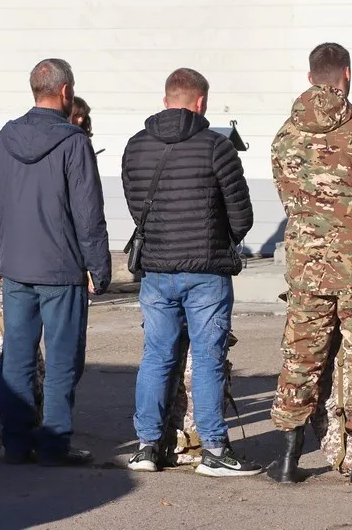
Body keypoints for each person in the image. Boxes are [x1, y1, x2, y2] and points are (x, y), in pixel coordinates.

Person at [268, 43, 352, 486]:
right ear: (346, 74)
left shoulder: (286, 135)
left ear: (311, 77)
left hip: (307, 263)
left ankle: (288, 458)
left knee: (301, 356)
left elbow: (287, 198)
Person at [121, 67, 260, 477]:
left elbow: (135, 205)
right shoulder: (217, 146)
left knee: (156, 356)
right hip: (207, 270)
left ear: (166, 100)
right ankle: (214, 449)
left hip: (156, 269)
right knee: (208, 358)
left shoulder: (136, 146)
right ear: (201, 103)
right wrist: (221, 238)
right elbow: (242, 214)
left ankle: (146, 447)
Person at [0, 59, 112, 467]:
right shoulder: (74, 142)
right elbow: (88, 215)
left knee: (16, 357)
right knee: (62, 360)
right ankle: (55, 444)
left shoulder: (5, 137)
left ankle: (16, 443)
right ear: (65, 91)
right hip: (61, 267)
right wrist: (99, 268)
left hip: (16, 266)